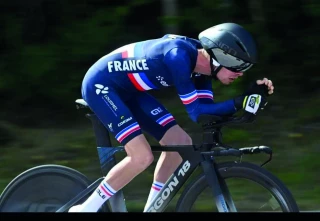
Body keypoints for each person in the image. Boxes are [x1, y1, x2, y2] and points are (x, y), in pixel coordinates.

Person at [69, 22, 274, 212]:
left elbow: (208, 114)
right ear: (221, 56)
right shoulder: (179, 57)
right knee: (142, 156)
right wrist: (239, 102)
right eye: (239, 65)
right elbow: (196, 112)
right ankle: (87, 208)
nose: (241, 73)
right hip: (102, 86)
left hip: (130, 91)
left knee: (180, 143)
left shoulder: (203, 70)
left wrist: (251, 99)